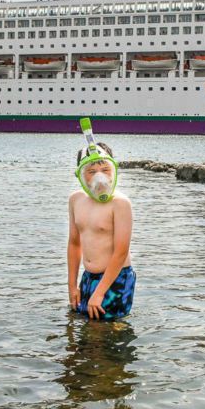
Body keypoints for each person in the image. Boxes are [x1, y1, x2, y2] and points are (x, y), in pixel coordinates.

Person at [68, 118, 136, 320]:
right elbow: (73, 243)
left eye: (105, 170)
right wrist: (72, 286)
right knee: (82, 329)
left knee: (102, 334)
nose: (100, 177)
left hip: (116, 279)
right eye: (91, 171)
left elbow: (121, 251)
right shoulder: (75, 200)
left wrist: (99, 293)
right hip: (88, 277)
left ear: (114, 170)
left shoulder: (120, 203)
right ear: (81, 174)